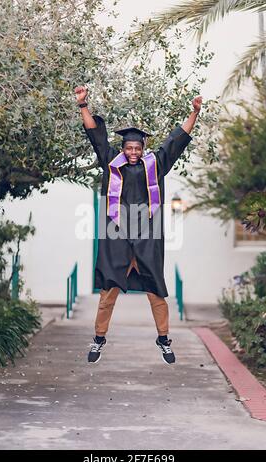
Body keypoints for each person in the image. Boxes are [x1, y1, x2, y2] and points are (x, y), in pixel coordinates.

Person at [75, 85, 202, 365]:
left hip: (147, 236)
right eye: (129, 148)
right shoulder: (111, 163)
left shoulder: (155, 164)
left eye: (137, 148)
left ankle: (164, 340)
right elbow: (95, 137)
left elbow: (176, 140)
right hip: (117, 235)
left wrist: (194, 112)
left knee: (155, 291)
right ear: (123, 148)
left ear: (143, 148)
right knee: (108, 292)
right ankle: (98, 339)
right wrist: (83, 105)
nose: (133, 152)